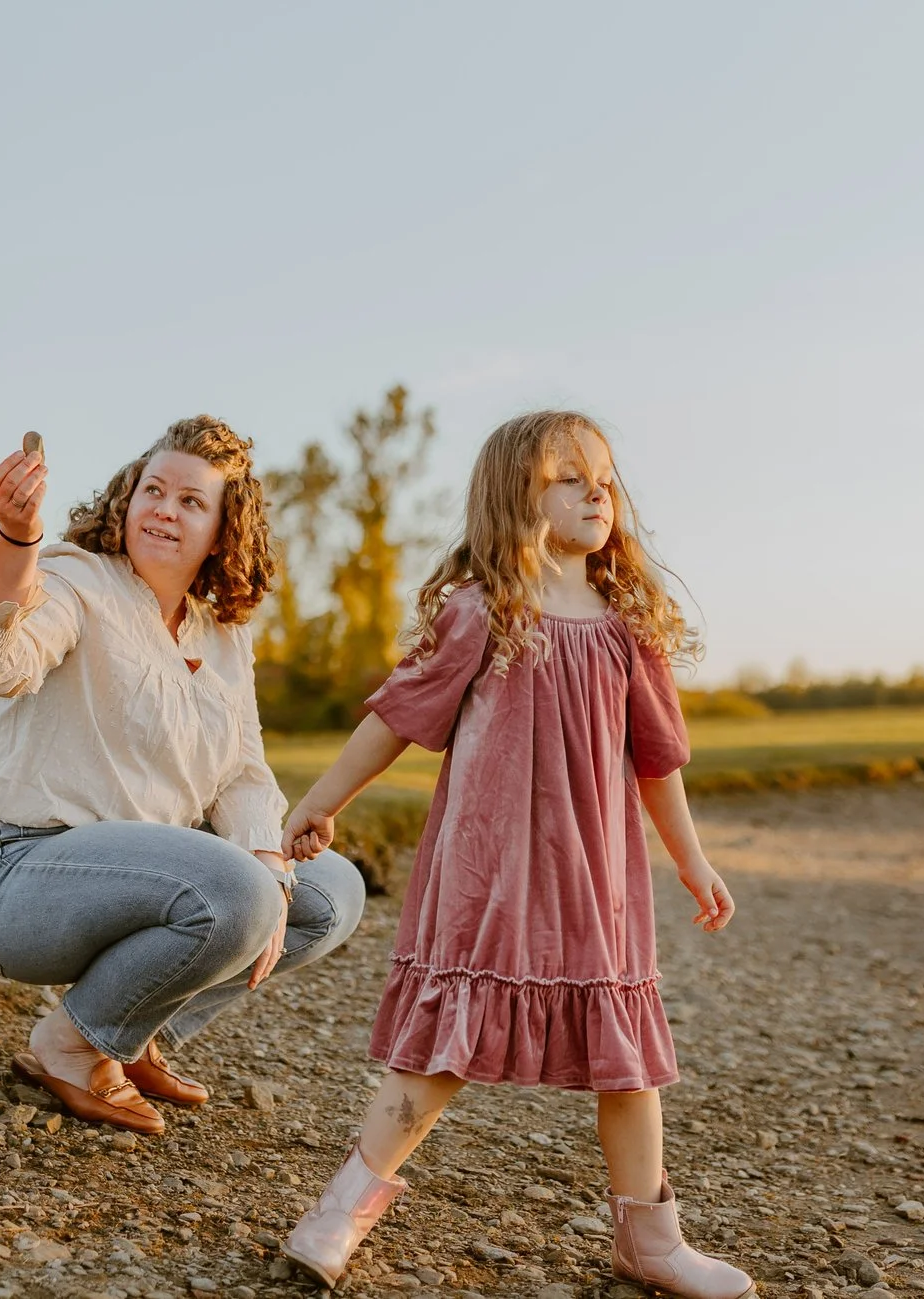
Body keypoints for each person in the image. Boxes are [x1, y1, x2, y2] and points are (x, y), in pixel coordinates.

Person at [276, 411, 751, 1299]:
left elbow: (658, 761)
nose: (597, 491)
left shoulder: (627, 626)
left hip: (593, 879)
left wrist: (692, 860)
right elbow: (396, 718)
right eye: (569, 477)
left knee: (627, 1057)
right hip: (487, 874)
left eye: (603, 477)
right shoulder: (479, 610)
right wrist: (319, 802)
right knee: (441, 1047)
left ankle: (651, 1240)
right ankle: (342, 1209)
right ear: (515, 498)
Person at [0, 418, 367, 1137]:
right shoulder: (74, 578)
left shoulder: (222, 632)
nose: (165, 510)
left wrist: (272, 867)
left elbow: (244, 771)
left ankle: (125, 1031)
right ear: (127, 499)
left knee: (329, 895)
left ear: (224, 531)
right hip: (13, 872)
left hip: (143, 877)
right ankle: (72, 1045)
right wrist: (16, 537)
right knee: (239, 892)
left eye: (191, 501)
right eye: (154, 490)